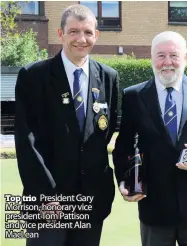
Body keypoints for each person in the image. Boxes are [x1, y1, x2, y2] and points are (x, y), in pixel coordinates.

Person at [113, 31, 187, 246]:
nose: (167, 62)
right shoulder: (134, 95)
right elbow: (124, 145)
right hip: (154, 206)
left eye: (174, 55)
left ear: (185, 58)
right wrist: (125, 179)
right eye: (161, 56)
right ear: (151, 59)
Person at [15, 4, 118, 246]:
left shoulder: (108, 77)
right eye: (73, 32)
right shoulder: (33, 76)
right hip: (49, 202)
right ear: (60, 34)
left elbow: (106, 132)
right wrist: (46, 196)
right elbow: (26, 141)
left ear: (96, 35)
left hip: (92, 201)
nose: (81, 39)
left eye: (88, 32)